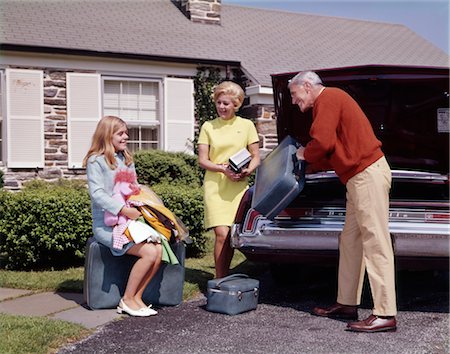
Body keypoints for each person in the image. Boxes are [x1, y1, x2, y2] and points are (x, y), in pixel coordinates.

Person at [289, 71, 397, 333]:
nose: (293, 101)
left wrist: (304, 154)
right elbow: (335, 149)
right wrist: (310, 165)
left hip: (366, 175)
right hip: (357, 178)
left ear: (307, 86)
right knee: (350, 240)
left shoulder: (329, 98)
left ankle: (385, 313)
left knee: (375, 241)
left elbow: (322, 142)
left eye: (294, 94)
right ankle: (347, 302)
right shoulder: (330, 101)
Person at [83, 115, 162, 317]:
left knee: (158, 250)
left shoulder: (126, 159)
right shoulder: (96, 161)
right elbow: (97, 193)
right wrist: (123, 210)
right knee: (149, 253)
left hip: (129, 222)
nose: (126, 136)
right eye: (121, 133)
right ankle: (126, 300)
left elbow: (132, 189)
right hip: (107, 226)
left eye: (126, 132)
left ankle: (137, 298)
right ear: (107, 135)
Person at [198, 81, 260, 278]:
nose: (222, 107)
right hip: (215, 187)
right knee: (221, 234)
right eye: (219, 102)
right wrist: (222, 170)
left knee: (231, 236)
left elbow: (256, 156)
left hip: (238, 187)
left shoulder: (247, 125)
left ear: (236, 104)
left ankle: (224, 277)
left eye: (226, 103)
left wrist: (247, 171)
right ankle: (219, 280)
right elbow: (202, 160)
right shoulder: (208, 127)